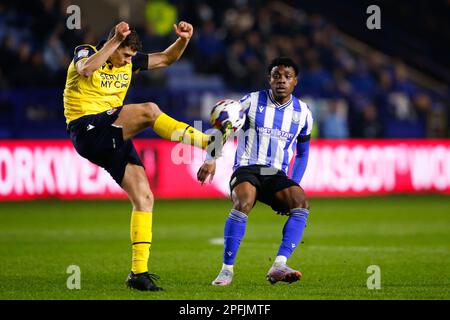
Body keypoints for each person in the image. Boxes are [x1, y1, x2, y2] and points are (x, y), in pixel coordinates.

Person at [64, 21, 219, 291]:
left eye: (131, 57)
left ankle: (138, 273)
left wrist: (183, 40)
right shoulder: (85, 51)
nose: (128, 61)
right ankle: (207, 141)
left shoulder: (129, 61)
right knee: (149, 110)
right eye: (125, 54)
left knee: (144, 198)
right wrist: (115, 39)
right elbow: (86, 70)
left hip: (112, 132)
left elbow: (167, 58)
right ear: (113, 44)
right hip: (86, 128)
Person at [197, 57, 313, 286]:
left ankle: (279, 265)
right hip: (247, 168)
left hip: (275, 174)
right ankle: (226, 270)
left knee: (300, 202)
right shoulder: (250, 101)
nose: (281, 81)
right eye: (276, 76)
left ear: (295, 81)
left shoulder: (303, 112)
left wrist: (293, 183)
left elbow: (302, 153)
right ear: (269, 79)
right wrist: (211, 159)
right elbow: (223, 127)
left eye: (287, 77)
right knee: (244, 202)